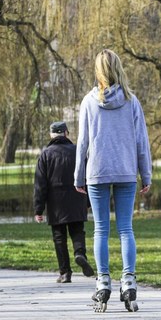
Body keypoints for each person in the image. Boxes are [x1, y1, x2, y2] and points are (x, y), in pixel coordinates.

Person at [74, 49, 152, 312]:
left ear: (98, 71)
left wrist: (78, 176)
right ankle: (128, 281)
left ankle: (103, 282)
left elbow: (83, 142)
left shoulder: (88, 102)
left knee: (100, 230)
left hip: (97, 171)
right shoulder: (132, 102)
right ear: (119, 68)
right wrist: (146, 173)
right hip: (126, 171)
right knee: (126, 229)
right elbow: (142, 141)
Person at [34, 121, 95, 283]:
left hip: (56, 203)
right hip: (78, 197)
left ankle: (65, 272)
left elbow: (41, 184)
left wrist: (38, 209)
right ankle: (80, 253)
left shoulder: (46, 155)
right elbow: (89, 177)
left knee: (59, 236)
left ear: (51, 135)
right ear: (66, 133)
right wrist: (88, 201)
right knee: (77, 230)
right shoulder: (78, 151)